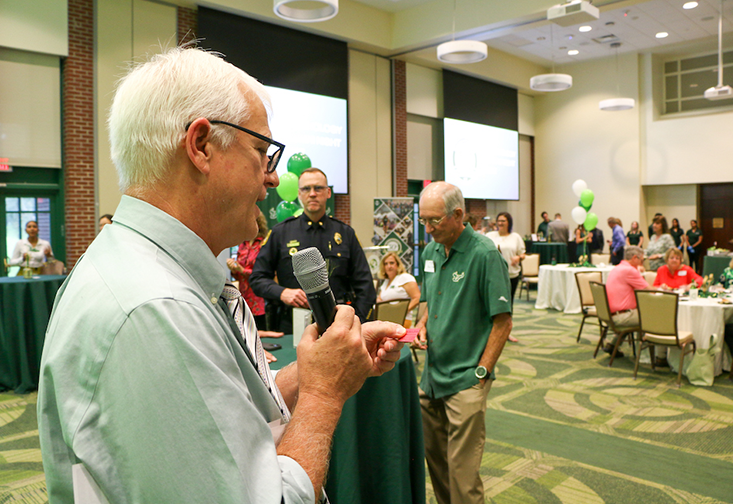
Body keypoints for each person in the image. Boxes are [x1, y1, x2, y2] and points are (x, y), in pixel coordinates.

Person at [37, 47, 405, 504]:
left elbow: (224, 410)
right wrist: (324, 394)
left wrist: (317, 371)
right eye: (261, 151)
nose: (273, 179)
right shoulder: (155, 310)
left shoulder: (150, 270)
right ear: (201, 146)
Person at [412, 182, 512, 504]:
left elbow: (503, 322)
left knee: (463, 476)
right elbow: (427, 299)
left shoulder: (484, 254)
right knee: (437, 464)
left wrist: (481, 374)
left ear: (458, 215)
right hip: (431, 378)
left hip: (467, 378)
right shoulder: (430, 251)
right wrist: (422, 325)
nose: (427, 229)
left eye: (434, 221)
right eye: (423, 221)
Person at [250, 168, 376, 334]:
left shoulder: (345, 233)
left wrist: (356, 322)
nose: (313, 194)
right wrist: (282, 292)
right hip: (292, 326)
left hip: (339, 325)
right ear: (299, 194)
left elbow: (366, 287)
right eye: (306, 189)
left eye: (318, 188)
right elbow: (257, 278)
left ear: (328, 192)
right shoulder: (281, 233)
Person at [227, 210, 269, 330]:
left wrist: (242, 270)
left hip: (259, 299)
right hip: (244, 297)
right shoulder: (242, 245)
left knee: (261, 335)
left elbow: (263, 274)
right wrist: (234, 270)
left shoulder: (264, 244)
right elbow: (238, 276)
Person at [604, 246, 648, 358]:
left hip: (611, 315)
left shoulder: (618, 268)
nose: (642, 263)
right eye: (642, 260)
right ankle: (655, 356)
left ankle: (613, 344)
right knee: (654, 316)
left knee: (636, 312)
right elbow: (648, 290)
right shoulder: (630, 271)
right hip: (621, 317)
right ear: (635, 258)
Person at [487, 211, 524, 343]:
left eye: (503, 221)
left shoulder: (516, 237)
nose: (500, 223)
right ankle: (490, 331)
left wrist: (518, 258)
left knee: (507, 305)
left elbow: (523, 254)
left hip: (511, 275)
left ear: (509, 223)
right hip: (493, 275)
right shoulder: (490, 236)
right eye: (499, 221)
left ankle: (506, 332)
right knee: (492, 304)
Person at [376, 252, 420, 326]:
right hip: (386, 320)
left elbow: (417, 298)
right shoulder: (386, 282)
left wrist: (401, 313)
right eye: (386, 264)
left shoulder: (405, 277)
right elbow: (379, 300)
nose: (389, 266)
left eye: (392, 263)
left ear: (398, 264)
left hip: (402, 320)